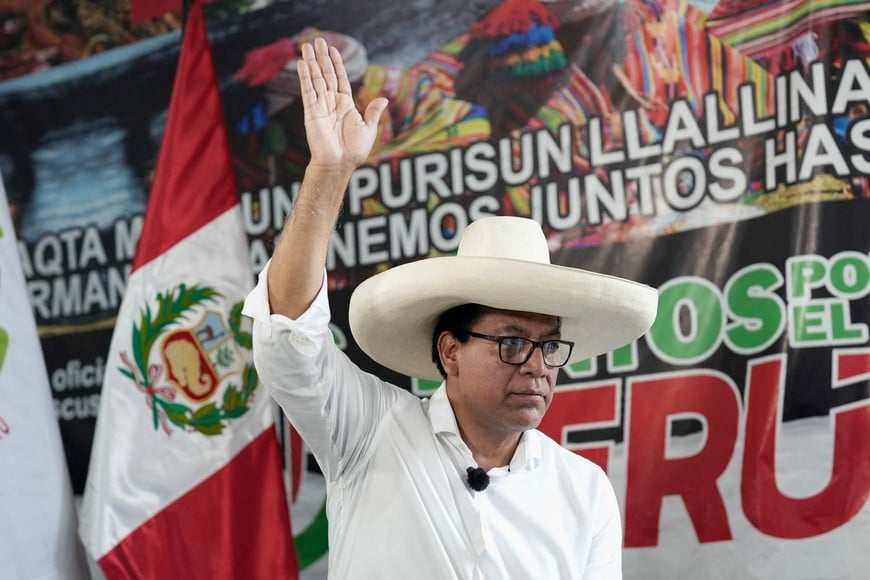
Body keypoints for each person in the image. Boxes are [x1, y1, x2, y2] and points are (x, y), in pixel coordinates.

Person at [242, 37, 658, 579]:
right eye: (513, 342)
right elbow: (287, 333)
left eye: (550, 346)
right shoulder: (368, 430)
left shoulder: (582, 490)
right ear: (450, 350)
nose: (538, 366)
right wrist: (330, 171)